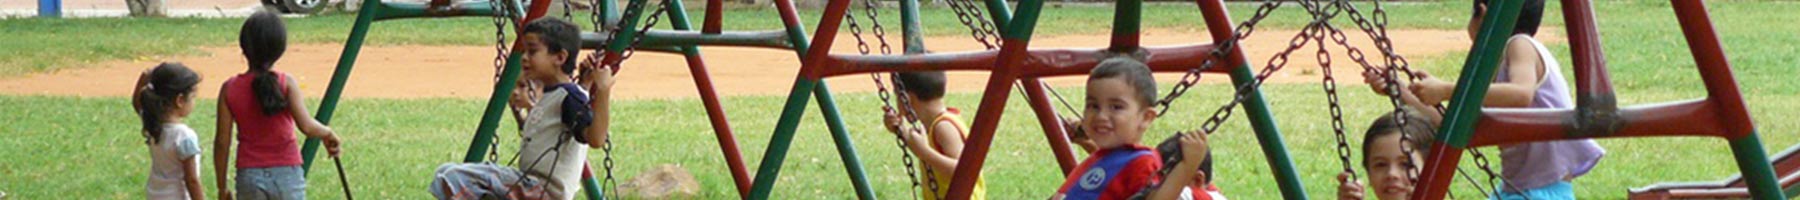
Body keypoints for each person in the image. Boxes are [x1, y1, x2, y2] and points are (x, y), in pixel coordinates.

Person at [1363, 0, 1604, 198]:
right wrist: (1400, 90)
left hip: (1541, 191)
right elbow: (1453, 124)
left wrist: (1447, 90)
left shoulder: (1519, 45)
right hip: (1518, 188)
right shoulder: (1497, 65)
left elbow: (1521, 94)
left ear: (1483, 12)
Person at [429, 17, 615, 200]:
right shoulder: (556, 94)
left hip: (542, 190)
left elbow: (596, 139)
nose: (524, 58)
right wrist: (585, 82)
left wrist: (603, 90)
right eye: (525, 51)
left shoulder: (569, 97)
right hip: (529, 184)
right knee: (445, 173)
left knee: (453, 176)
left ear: (560, 57)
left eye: (532, 51)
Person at [215, 11, 343, 200]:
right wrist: (328, 133)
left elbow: (221, 143)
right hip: (287, 174)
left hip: (249, 175)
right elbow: (307, 126)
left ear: (244, 46)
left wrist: (222, 187)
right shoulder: (286, 83)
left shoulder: (229, 89)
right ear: (280, 49)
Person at [1052, 58, 1207, 200]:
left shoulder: (1141, 162)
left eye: (1116, 107)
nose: (1101, 115)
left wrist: (1187, 166)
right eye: (1093, 106)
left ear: (1146, 118)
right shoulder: (1102, 158)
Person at [879, 71, 986, 199]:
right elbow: (920, 148)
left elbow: (965, 172)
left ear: (906, 99)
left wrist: (924, 152)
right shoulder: (932, 125)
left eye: (897, 95)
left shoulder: (944, 127)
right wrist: (901, 130)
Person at [136, 63, 207, 200]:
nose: (194, 102)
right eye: (193, 97)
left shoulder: (153, 124)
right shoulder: (184, 136)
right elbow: (191, 180)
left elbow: (137, 103)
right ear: (180, 100)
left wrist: (144, 77)